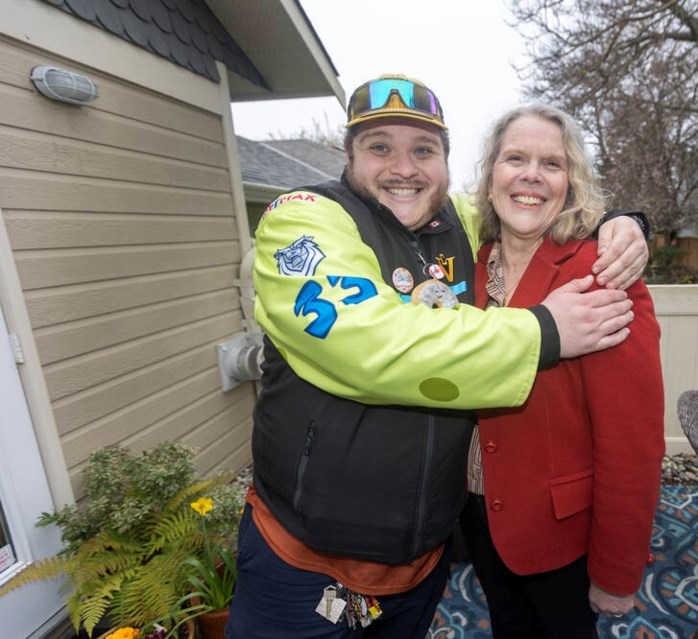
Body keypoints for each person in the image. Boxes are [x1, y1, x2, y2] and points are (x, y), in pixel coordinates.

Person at [226, 75, 650, 639]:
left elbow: (529, 197)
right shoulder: (303, 219)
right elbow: (369, 342)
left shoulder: (457, 223)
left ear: (447, 161)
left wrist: (623, 222)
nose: (404, 169)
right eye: (380, 147)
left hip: (422, 562)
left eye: (423, 150)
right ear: (349, 154)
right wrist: (544, 331)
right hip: (306, 561)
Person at [459, 104, 665, 639]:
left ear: (570, 183)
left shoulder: (601, 272)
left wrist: (617, 572)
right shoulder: (468, 267)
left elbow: (631, 441)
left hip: (559, 535)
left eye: (551, 163)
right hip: (477, 518)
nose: (531, 175)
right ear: (491, 175)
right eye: (515, 159)